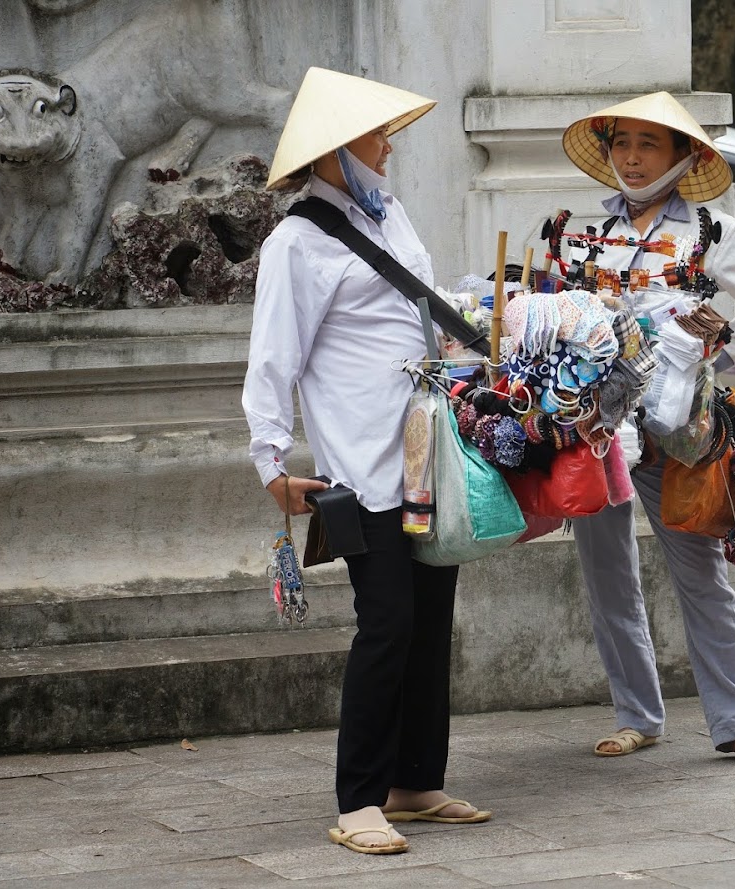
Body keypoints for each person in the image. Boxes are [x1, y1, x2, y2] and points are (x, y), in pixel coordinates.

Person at [243, 67, 490, 856]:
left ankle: (415, 782)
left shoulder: (392, 216)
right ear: (332, 153)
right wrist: (271, 460)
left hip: (425, 454)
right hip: (360, 462)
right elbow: (273, 358)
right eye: (372, 136)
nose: (388, 147)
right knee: (386, 622)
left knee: (430, 619)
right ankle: (358, 799)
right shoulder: (297, 242)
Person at [559, 92, 735, 769]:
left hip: (680, 434)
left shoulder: (710, 231)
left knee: (700, 573)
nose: (631, 158)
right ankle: (637, 714)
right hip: (599, 430)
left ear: (684, 156)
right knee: (607, 574)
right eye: (621, 143)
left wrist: (715, 354)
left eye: (649, 144)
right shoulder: (585, 234)